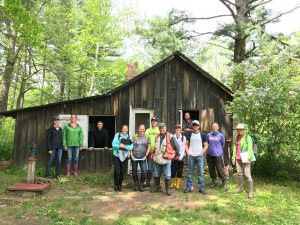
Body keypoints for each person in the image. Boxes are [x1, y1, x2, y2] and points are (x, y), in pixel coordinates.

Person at [151, 123, 180, 196]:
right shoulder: (157, 136)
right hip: (157, 158)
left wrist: (175, 156)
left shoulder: (170, 136)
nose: (162, 129)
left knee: (167, 175)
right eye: (160, 128)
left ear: (166, 128)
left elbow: (177, 147)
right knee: (157, 173)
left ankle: (168, 189)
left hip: (166, 159)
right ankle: (156, 187)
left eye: (163, 128)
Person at [184, 120, 208, 194]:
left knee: (200, 173)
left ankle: (201, 188)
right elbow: (186, 144)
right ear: (192, 126)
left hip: (199, 156)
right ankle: (188, 187)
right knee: (190, 172)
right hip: (191, 156)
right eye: (194, 125)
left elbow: (206, 145)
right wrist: (188, 152)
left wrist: (202, 152)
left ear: (199, 126)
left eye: (196, 125)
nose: (195, 126)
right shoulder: (189, 134)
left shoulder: (203, 134)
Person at [232, 123, 254, 199]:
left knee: (247, 175)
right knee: (240, 174)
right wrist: (233, 157)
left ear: (244, 130)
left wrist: (249, 158)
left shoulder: (248, 137)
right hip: (238, 158)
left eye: (241, 129)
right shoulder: (236, 137)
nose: (239, 131)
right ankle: (239, 189)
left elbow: (250, 149)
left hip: (246, 158)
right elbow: (235, 147)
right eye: (238, 130)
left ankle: (250, 192)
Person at [112, 125, 133, 192]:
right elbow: (113, 144)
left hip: (124, 156)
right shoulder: (117, 135)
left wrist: (124, 147)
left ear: (127, 130)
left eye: (126, 129)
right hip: (116, 155)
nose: (125, 130)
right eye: (124, 129)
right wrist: (119, 146)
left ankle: (120, 185)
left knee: (122, 172)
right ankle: (116, 185)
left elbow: (131, 147)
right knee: (116, 171)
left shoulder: (129, 137)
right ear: (121, 129)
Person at [206, 122, 227, 190]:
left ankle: (224, 183)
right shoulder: (208, 135)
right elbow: (206, 144)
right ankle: (213, 182)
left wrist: (219, 150)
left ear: (218, 128)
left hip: (218, 154)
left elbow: (223, 144)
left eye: (216, 126)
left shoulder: (221, 135)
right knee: (211, 168)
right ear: (212, 127)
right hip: (209, 154)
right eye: (213, 126)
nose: (214, 127)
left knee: (220, 168)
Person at [131, 124, 150, 192]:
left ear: (144, 129)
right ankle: (136, 184)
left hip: (143, 157)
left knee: (144, 172)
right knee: (133, 172)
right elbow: (131, 147)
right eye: (140, 129)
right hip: (134, 157)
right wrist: (132, 155)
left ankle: (141, 184)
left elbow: (149, 147)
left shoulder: (147, 137)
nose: (142, 130)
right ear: (138, 129)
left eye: (143, 129)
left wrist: (146, 156)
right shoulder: (134, 137)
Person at [45, 115, 63, 180]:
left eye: (58, 120)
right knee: (50, 160)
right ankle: (48, 174)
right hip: (52, 148)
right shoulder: (50, 129)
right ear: (53, 121)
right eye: (55, 120)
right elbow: (48, 140)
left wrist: (62, 146)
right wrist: (49, 149)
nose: (57, 121)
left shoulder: (61, 129)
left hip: (59, 148)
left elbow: (61, 139)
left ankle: (58, 175)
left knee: (59, 160)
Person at [170, 124, 187, 190]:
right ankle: (172, 183)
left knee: (180, 170)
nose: (178, 130)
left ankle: (178, 184)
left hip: (181, 156)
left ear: (180, 129)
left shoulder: (183, 137)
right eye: (177, 129)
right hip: (174, 156)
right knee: (173, 170)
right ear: (175, 129)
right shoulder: (172, 137)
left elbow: (183, 148)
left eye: (179, 128)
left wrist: (181, 156)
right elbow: (171, 147)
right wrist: (175, 156)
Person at [144, 117, 160, 187]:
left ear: (157, 123)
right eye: (152, 121)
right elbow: (145, 139)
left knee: (157, 168)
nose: (153, 122)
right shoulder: (147, 130)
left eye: (155, 121)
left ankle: (157, 184)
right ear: (151, 122)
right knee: (150, 168)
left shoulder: (159, 130)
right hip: (150, 152)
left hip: (157, 152)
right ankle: (148, 182)